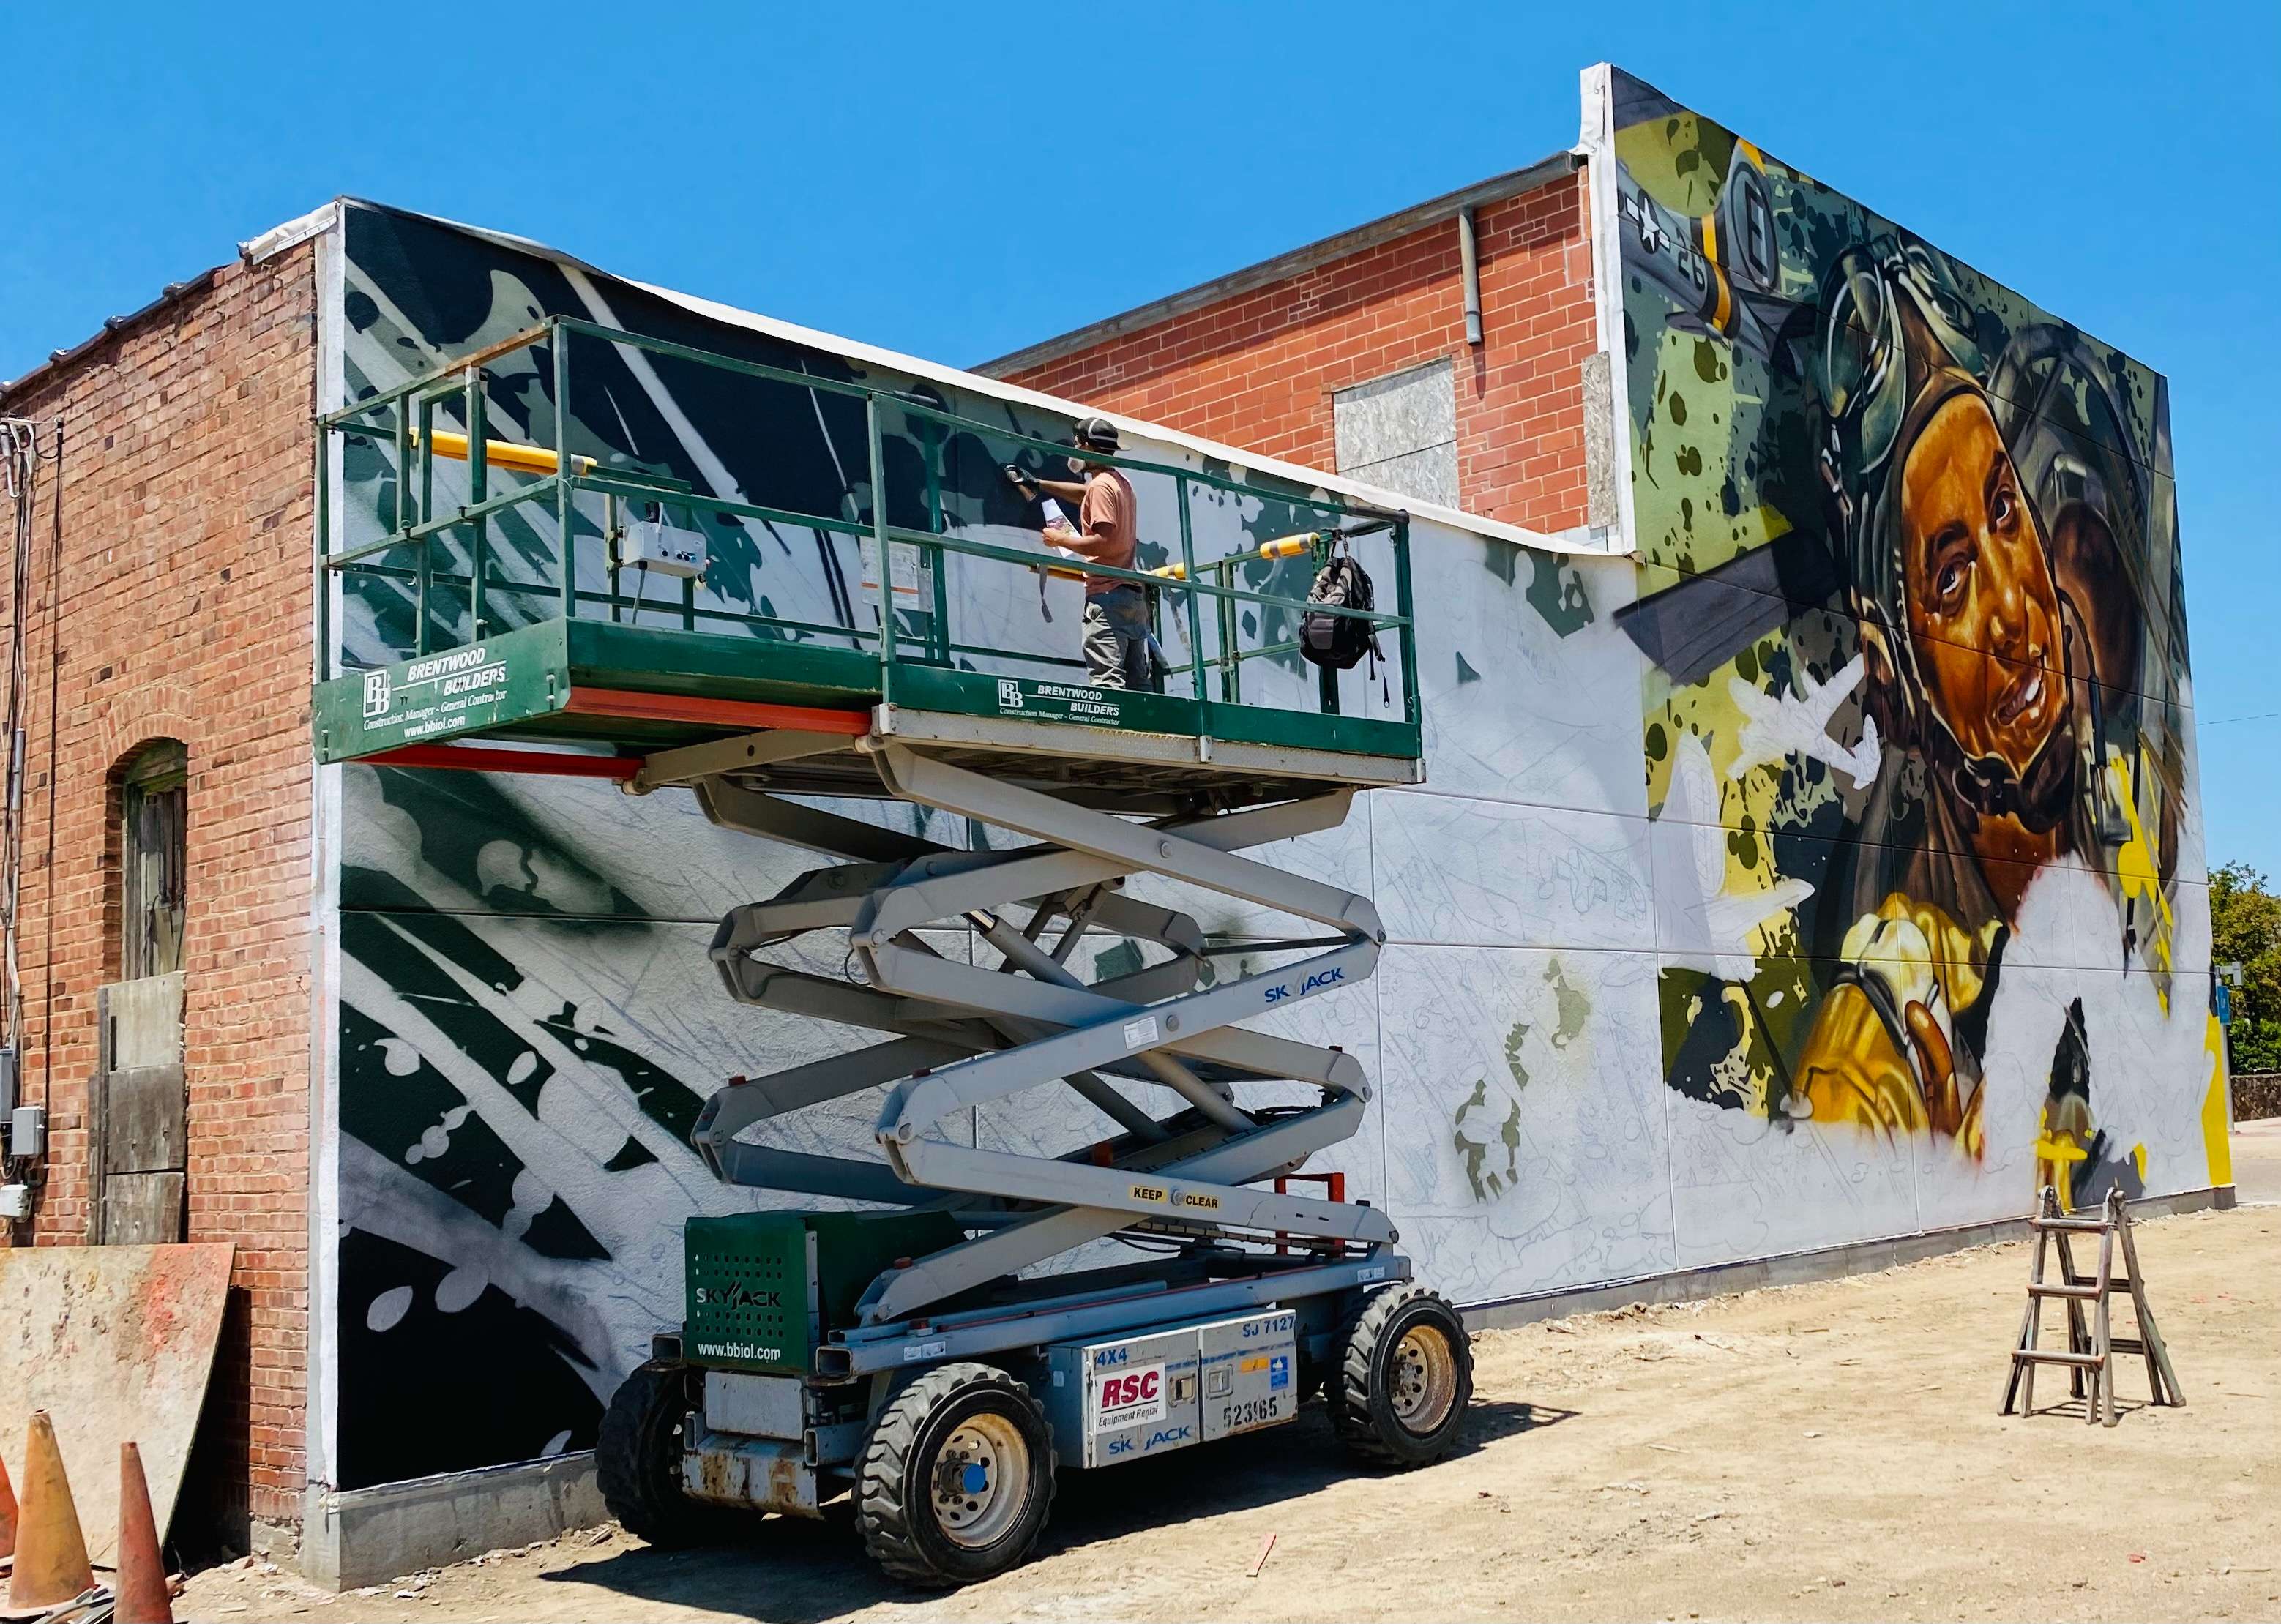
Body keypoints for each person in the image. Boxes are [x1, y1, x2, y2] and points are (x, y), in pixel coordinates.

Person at [1007, 416, 1151, 689]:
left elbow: (1103, 541)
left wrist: (1059, 539)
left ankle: (1112, 735)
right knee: (1137, 683)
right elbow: (1086, 494)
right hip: (1131, 597)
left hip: (1107, 596)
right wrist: (1039, 483)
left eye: (1076, 443)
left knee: (1108, 682)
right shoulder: (1118, 482)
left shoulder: (1100, 487)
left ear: (1085, 447)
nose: (1073, 448)